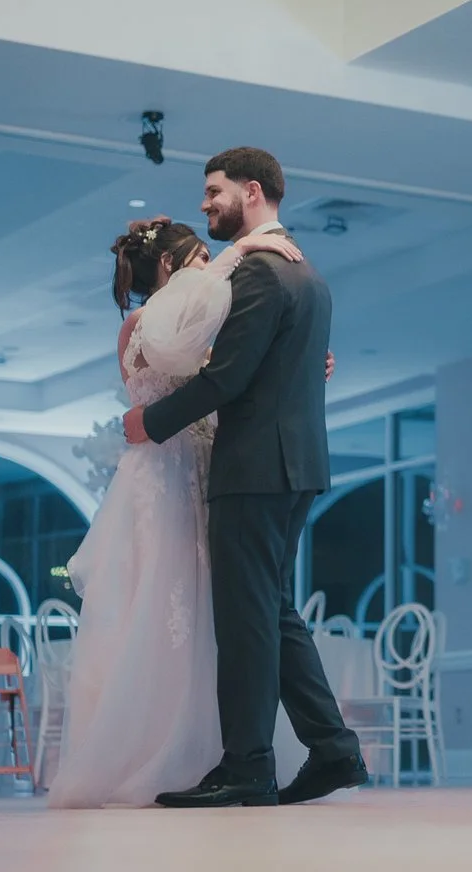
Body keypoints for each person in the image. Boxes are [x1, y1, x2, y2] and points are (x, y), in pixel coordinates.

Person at [122, 145, 369, 809]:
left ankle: (248, 765)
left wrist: (151, 421)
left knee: (246, 620)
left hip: (258, 465)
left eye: (214, 191)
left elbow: (226, 376)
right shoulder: (304, 272)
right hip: (295, 464)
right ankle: (333, 749)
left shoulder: (262, 271)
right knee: (271, 612)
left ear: (252, 191)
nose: (204, 206)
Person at [51, 216, 299, 807]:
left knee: (203, 608)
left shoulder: (158, 324)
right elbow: (212, 377)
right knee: (168, 603)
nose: (202, 265)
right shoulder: (158, 325)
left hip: (182, 468)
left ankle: (221, 749)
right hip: (169, 474)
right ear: (169, 267)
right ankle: (169, 750)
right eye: (194, 255)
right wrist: (237, 253)